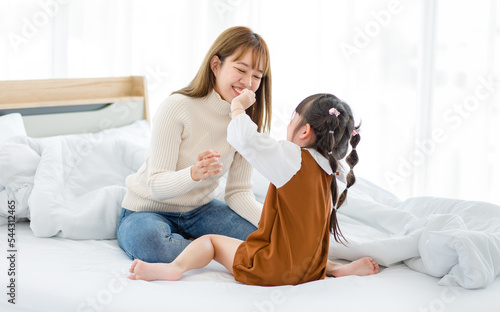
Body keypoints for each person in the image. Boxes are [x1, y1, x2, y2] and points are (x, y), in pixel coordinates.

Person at [128, 91, 380, 285]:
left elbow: (245, 139)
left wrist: (237, 107)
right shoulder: (331, 170)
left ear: (304, 131)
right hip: (309, 268)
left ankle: (175, 268)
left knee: (211, 243)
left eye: (294, 117)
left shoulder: (291, 157)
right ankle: (333, 268)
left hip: (273, 268)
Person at [117, 26, 272, 263]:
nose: (248, 83)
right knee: (152, 245)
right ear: (216, 65)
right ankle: (209, 248)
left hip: (199, 212)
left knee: (265, 243)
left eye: (257, 76)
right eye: (241, 69)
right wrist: (193, 174)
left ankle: (198, 246)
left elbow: (238, 192)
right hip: (147, 209)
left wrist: (275, 226)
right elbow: (157, 184)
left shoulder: (244, 123)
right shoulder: (177, 106)